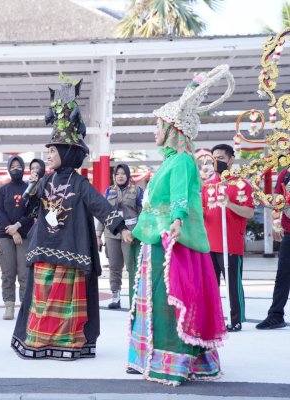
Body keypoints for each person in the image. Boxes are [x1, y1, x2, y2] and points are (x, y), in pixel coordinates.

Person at [12, 78, 133, 361]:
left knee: (66, 303)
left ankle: (66, 343)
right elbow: (30, 212)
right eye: (48, 151)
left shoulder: (80, 185)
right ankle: (39, 342)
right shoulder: (44, 181)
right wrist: (31, 191)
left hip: (71, 250)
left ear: (66, 153)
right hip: (43, 249)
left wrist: (121, 228)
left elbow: (102, 207)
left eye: (53, 151)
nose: (48, 155)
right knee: (42, 300)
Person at [127, 65, 233, 385]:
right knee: (158, 297)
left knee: (168, 299)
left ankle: (171, 361)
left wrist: (176, 221)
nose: (154, 130)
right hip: (156, 238)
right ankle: (149, 356)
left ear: (172, 128)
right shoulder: (170, 161)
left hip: (171, 242)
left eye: (158, 124)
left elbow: (180, 199)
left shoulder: (183, 161)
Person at [202, 143, 254, 332]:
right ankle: (213, 319)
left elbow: (248, 212)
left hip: (230, 243)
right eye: (214, 158)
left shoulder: (241, 184)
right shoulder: (208, 185)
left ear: (231, 159)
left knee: (233, 284)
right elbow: (201, 211)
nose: (217, 162)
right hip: (209, 244)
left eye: (221, 158)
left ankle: (236, 319)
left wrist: (229, 204)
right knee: (210, 285)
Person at [96, 163, 143, 309]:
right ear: (114, 176)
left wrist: (141, 233)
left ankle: (135, 297)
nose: (120, 176)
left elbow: (142, 213)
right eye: (117, 174)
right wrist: (98, 234)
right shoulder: (109, 191)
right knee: (114, 266)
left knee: (132, 266)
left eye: (123, 173)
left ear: (128, 175)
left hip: (131, 233)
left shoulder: (137, 191)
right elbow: (103, 214)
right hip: (112, 233)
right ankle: (115, 296)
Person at [0, 156, 34, 320]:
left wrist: (18, 227)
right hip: (5, 236)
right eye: (13, 166)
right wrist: (12, 231)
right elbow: (0, 212)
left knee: (24, 274)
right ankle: (9, 307)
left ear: (23, 168)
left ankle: (25, 309)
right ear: (8, 168)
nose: (16, 168)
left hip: (25, 236)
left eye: (19, 166)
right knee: (8, 273)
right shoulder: (2, 190)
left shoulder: (29, 188)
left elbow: (31, 212)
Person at [256, 166, 290, 330]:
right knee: (283, 275)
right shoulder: (286, 173)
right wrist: (276, 225)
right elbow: (278, 200)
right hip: (289, 231)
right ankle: (275, 315)